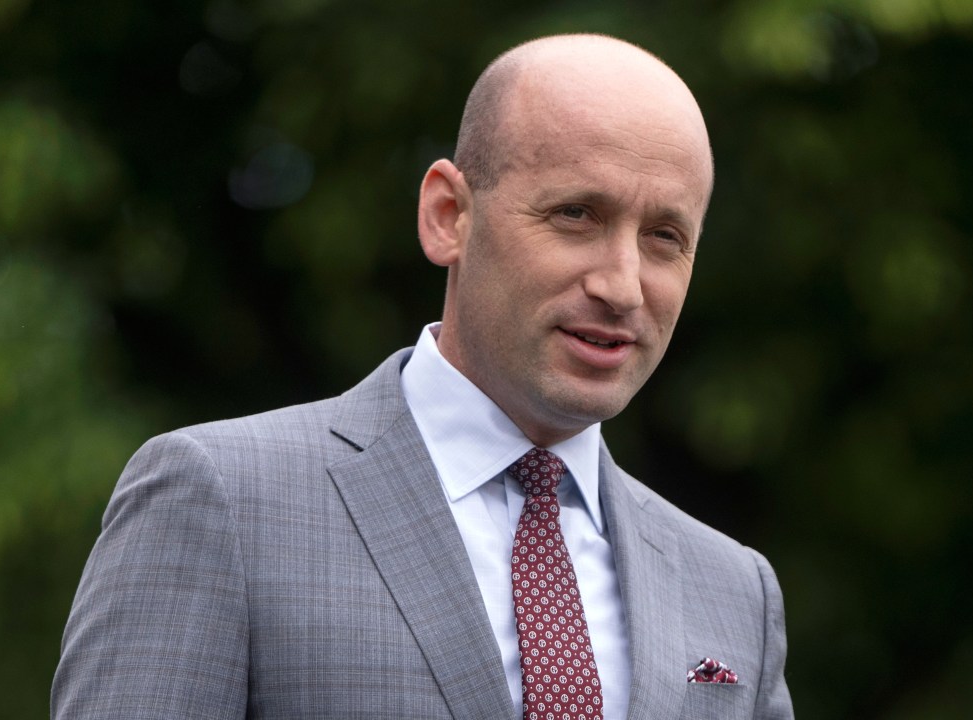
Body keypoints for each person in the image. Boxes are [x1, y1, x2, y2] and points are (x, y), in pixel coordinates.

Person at [53, 34, 793, 720]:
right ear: (448, 216)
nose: (624, 285)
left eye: (666, 237)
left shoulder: (733, 590)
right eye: (577, 214)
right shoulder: (222, 500)